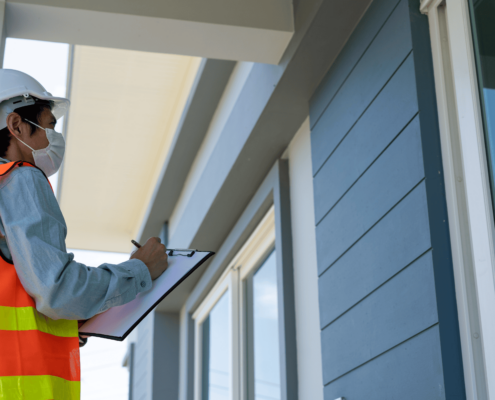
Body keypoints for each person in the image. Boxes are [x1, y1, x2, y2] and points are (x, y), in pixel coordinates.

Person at [0, 69, 169, 399]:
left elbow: (24, 292)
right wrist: (141, 270)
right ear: (17, 125)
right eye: (49, 124)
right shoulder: (21, 179)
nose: (54, 135)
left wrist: (71, 322)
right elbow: (56, 290)